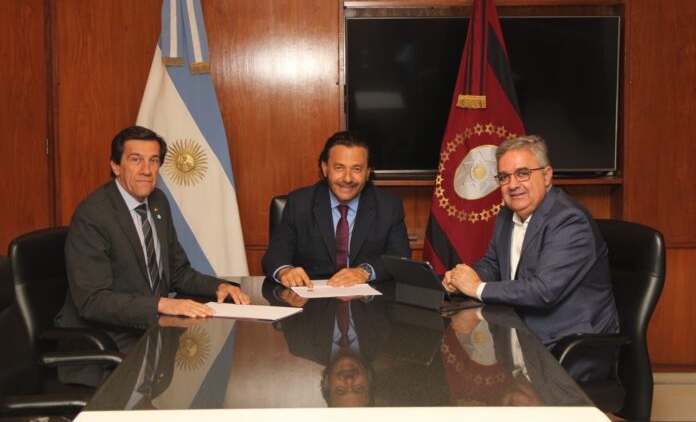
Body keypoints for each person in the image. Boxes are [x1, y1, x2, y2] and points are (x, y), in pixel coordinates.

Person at [442, 135, 618, 378]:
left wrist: (477, 288)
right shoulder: (506, 216)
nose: (513, 184)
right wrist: (461, 279)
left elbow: (543, 291)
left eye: (523, 173)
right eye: (504, 177)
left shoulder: (569, 220)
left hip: (567, 347)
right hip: (521, 339)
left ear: (546, 176)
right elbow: (493, 264)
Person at [57, 126, 250, 336]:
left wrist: (218, 287)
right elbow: (93, 301)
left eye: (154, 160)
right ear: (116, 166)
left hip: (152, 325)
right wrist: (161, 304)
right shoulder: (93, 215)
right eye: (136, 160)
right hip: (108, 334)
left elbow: (177, 272)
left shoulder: (158, 201)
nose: (147, 170)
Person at [262, 131, 411, 287]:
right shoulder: (299, 203)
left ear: (368, 172)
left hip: (367, 297)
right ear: (325, 168)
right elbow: (275, 256)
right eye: (339, 168)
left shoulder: (389, 206)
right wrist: (285, 271)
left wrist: (365, 271)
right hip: (312, 295)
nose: (347, 178)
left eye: (357, 169)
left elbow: (401, 258)